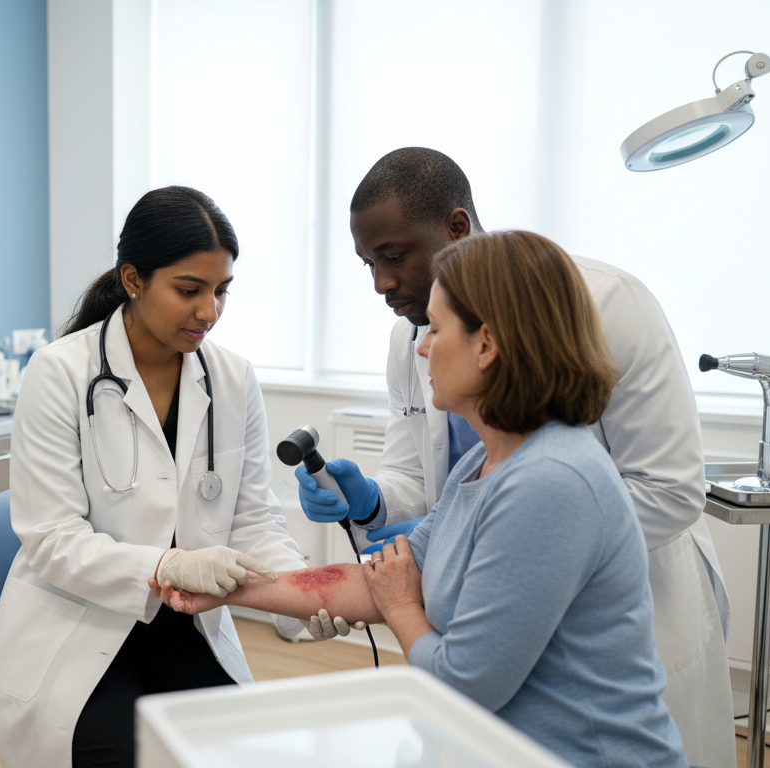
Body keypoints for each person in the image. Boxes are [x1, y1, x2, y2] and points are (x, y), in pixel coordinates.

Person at [156, 230, 688, 768]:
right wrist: (227, 590)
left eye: (436, 327)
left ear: (487, 343)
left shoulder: (550, 482)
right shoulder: (479, 465)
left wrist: (404, 606)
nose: (423, 345)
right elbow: (377, 579)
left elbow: (459, 684)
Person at [296, 148, 734, 768]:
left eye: (393, 257)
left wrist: (501, 546)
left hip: (621, 612)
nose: (381, 284)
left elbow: (668, 490)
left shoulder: (607, 304)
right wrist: (370, 499)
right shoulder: (415, 338)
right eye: (368, 264)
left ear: (455, 228)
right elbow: (424, 477)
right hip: (481, 612)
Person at [0, 186, 308, 768]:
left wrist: (302, 595)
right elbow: (52, 538)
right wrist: (165, 565)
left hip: (182, 623)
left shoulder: (232, 379)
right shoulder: (60, 374)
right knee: (120, 755)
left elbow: (253, 516)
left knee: (237, 749)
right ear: (133, 279)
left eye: (221, 290)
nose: (210, 311)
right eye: (189, 290)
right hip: (77, 621)